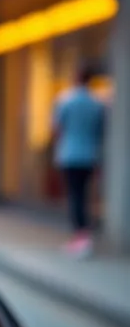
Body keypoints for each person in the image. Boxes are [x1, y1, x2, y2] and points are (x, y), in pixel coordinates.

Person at [52, 65, 107, 258]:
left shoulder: (66, 101)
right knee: (85, 195)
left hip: (70, 155)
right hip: (90, 155)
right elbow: (101, 131)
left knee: (75, 196)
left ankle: (80, 237)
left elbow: (57, 128)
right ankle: (85, 236)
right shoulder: (98, 104)